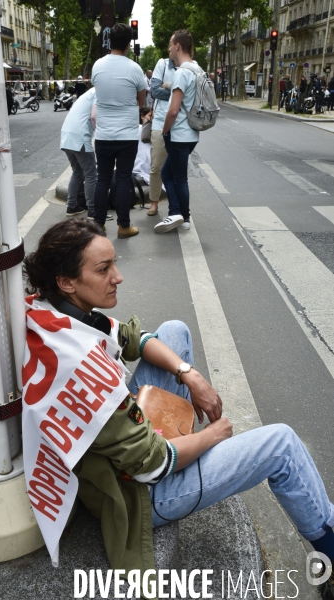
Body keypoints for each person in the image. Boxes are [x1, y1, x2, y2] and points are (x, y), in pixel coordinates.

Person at [22, 218, 334, 597]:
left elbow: (135, 338)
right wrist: (211, 436)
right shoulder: (83, 369)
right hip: (136, 496)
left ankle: (187, 437)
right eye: (104, 270)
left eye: (114, 264)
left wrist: (190, 375)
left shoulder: (57, 311)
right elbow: (155, 464)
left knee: (173, 331)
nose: (118, 277)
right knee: (282, 445)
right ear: (67, 281)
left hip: (116, 447)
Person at [91, 23, 146, 239]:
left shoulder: (97, 66)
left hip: (104, 134)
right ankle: (124, 226)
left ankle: (98, 225)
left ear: (108, 41)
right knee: (123, 179)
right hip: (127, 135)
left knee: (102, 179)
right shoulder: (134, 68)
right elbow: (142, 102)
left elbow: (99, 94)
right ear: (129, 43)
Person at [154, 30, 201, 234]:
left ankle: (183, 216)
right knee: (168, 173)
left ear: (178, 46)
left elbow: (173, 110)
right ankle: (178, 213)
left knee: (178, 177)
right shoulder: (198, 69)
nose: (169, 49)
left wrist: (165, 130)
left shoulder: (182, 72)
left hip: (179, 133)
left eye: (171, 45)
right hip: (192, 133)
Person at [60, 88, 111, 220]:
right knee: (91, 175)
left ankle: (72, 206)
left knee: (77, 172)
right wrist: (101, 132)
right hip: (80, 138)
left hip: (66, 136)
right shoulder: (99, 92)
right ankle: (93, 210)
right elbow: (94, 116)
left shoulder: (88, 93)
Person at [146, 55, 177, 217]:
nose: (169, 48)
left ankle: (176, 207)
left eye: (171, 44)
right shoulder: (162, 64)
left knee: (178, 169)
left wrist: (170, 86)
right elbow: (155, 91)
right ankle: (154, 202)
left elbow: (192, 93)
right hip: (159, 123)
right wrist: (178, 91)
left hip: (181, 125)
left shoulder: (192, 66)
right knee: (156, 166)